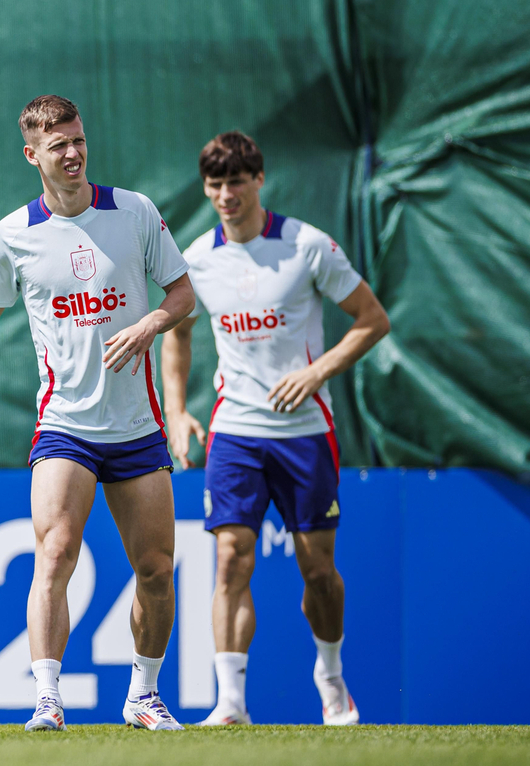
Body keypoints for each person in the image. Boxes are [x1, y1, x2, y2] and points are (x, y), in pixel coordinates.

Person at [0, 95, 196, 732]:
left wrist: (149, 324)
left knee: (156, 570)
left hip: (137, 426)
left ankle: (143, 696)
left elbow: (182, 294)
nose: (73, 153)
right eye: (58, 146)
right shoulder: (14, 234)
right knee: (54, 555)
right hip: (65, 426)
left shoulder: (135, 212)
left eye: (78, 139)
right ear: (32, 155)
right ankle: (48, 700)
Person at [161, 130, 390, 726]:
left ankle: (331, 679)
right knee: (231, 559)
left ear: (259, 180)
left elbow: (372, 320)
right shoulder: (197, 259)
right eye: (216, 184)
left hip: (305, 433)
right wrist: (177, 409)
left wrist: (316, 372)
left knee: (318, 571)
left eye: (237, 182)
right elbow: (177, 335)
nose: (226, 195)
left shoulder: (307, 246)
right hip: (234, 432)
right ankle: (231, 704)